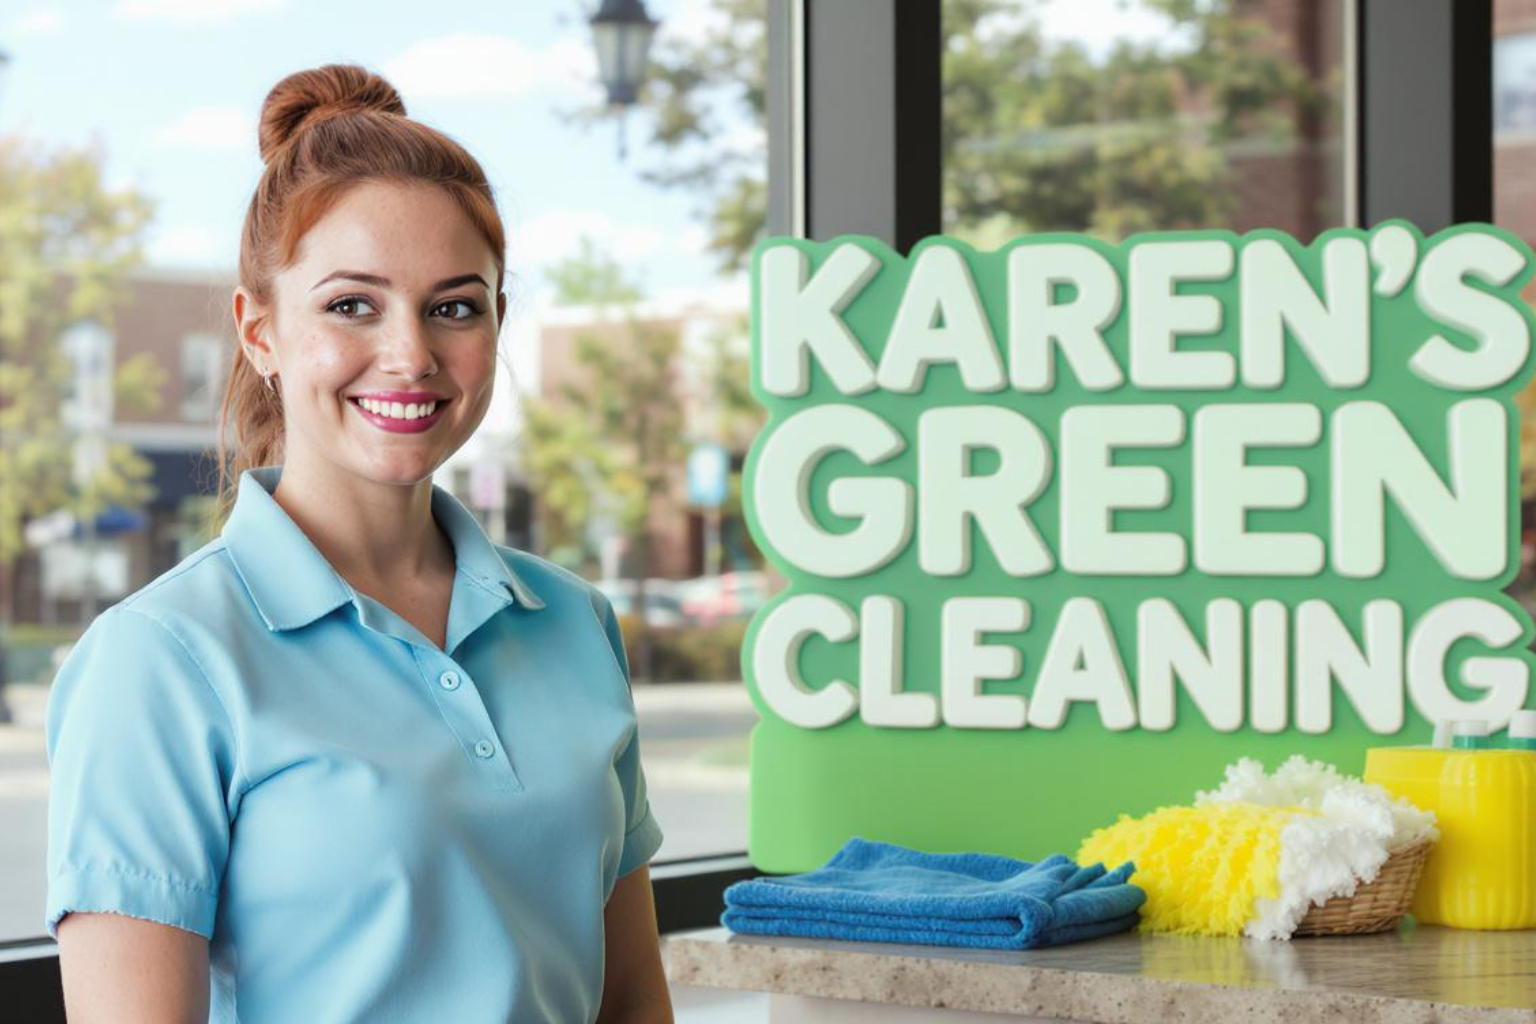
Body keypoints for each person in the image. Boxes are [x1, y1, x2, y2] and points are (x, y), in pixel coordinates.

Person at [44, 64, 672, 1023]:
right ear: (260, 332)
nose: (411, 354)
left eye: (456, 306)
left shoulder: (575, 621)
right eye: (352, 305)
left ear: (498, 321)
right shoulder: (159, 660)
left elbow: (629, 998)